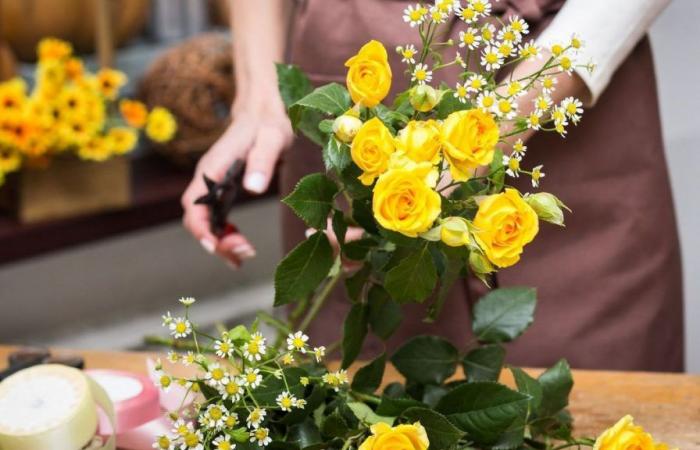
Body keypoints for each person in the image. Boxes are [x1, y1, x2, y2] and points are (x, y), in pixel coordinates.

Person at [181, 0, 684, 372]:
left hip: (564, 90)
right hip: (355, 71)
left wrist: (501, 123)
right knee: (360, 401)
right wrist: (257, 99)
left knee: (592, 409)